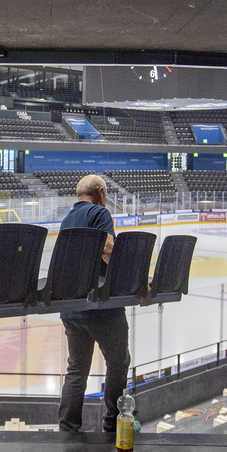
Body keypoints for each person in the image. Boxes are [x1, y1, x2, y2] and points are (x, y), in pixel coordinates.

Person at [57, 174, 131, 433]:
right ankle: (114, 423)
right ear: (100, 192)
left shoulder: (67, 220)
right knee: (118, 361)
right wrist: (130, 279)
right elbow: (108, 248)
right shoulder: (99, 213)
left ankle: (67, 428)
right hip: (100, 307)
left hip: (71, 308)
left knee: (77, 369)